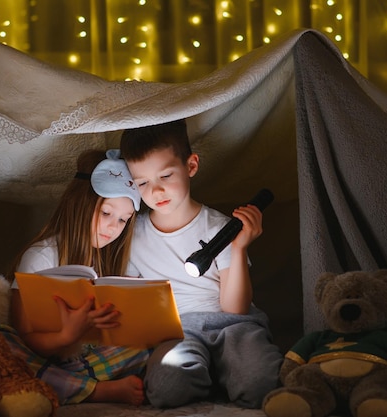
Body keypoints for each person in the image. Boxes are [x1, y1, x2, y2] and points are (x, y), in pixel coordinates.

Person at [119, 119, 283, 409]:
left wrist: (239, 247)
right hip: (177, 332)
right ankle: (206, 374)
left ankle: (228, 372)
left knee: (262, 385)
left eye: (166, 176)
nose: (156, 192)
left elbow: (235, 309)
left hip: (233, 326)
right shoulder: (133, 235)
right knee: (167, 389)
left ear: (191, 166)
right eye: (143, 182)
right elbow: (136, 303)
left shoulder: (219, 229)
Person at [0, 149, 150, 406]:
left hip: (88, 357)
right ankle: (95, 390)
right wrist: (66, 337)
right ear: (80, 205)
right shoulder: (41, 257)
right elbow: (25, 335)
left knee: (147, 345)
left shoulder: (111, 260)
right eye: (106, 214)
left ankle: (60, 385)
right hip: (44, 352)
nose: (114, 228)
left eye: (124, 220)